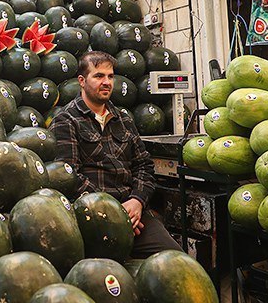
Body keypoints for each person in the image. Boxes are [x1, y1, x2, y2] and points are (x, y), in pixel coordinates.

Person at [49, 51, 181, 258]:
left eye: (110, 76)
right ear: (82, 81)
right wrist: (114, 212)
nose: (107, 82)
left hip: (133, 212)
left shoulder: (123, 119)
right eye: (99, 76)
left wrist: (137, 200)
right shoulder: (66, 121)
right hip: (92, 216)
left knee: (176, 260)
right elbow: (69, 176)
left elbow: (144, 166)